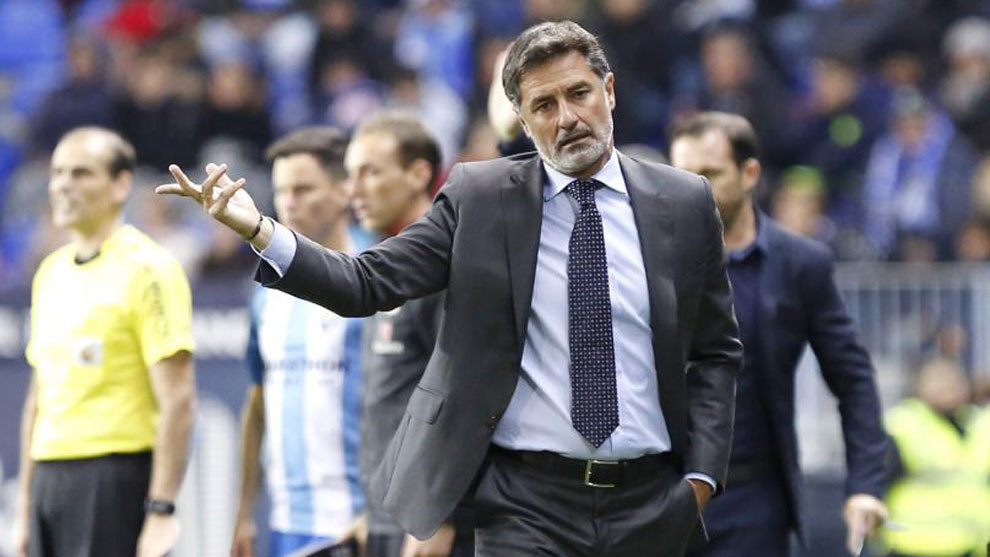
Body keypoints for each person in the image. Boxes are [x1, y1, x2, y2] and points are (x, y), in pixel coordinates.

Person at [160, 20, 741, 557]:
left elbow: (716, 351)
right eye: (544, 105)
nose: (567, 117)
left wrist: (700, 480)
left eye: (579, 94)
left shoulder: (684, 201)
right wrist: (259, 230)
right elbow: (365, 282)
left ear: (609, 91)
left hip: (651, 504)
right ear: (521, 119)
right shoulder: (480, 198)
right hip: (526, 506)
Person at [668, 111, 889, 557]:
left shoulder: (799, 264)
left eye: (710, 173)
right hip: (662, 493)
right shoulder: (650, 258)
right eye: (683, 176)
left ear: (750, 173)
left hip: (754, 499)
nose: (694, 189)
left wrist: (865, 484)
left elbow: (852, 377)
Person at [16, 127, 196, 557]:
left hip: (114, 478)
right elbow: (38, 397)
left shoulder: (150, 268)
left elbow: (178, 399)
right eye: (58, 172)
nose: (63, 185)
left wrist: (161, 508)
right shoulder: (50, 272)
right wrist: (23, 508)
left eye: (81, 173)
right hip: (48, 477)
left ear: (120, 184)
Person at [230, 127, 366, 557]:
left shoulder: (379, 276)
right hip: (286, 523)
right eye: (281, 191)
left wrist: (384, 511)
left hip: (359, 523)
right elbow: (258, 402)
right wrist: (244, 512)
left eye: (303, 189)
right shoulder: (266, 292)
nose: (288, 203)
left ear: (345, 189)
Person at [344, 111, 473, 557]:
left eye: (370, 172)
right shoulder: (380, 265)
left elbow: (462, 396)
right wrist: (373, 509)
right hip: (389, 518)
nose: (353, 189)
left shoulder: (444, 267)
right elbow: (391, 402)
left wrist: (439, 518)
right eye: (350, 175)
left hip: (427, 526)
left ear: (419, 174)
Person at [881, 358, 990, 557]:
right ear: (919, 385)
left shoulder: (975, 423)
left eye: (953, 380)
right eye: (938, 379)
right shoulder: (904, 424)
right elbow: (878, 484)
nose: (947, 387)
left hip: (969, 545)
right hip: (912, 547)